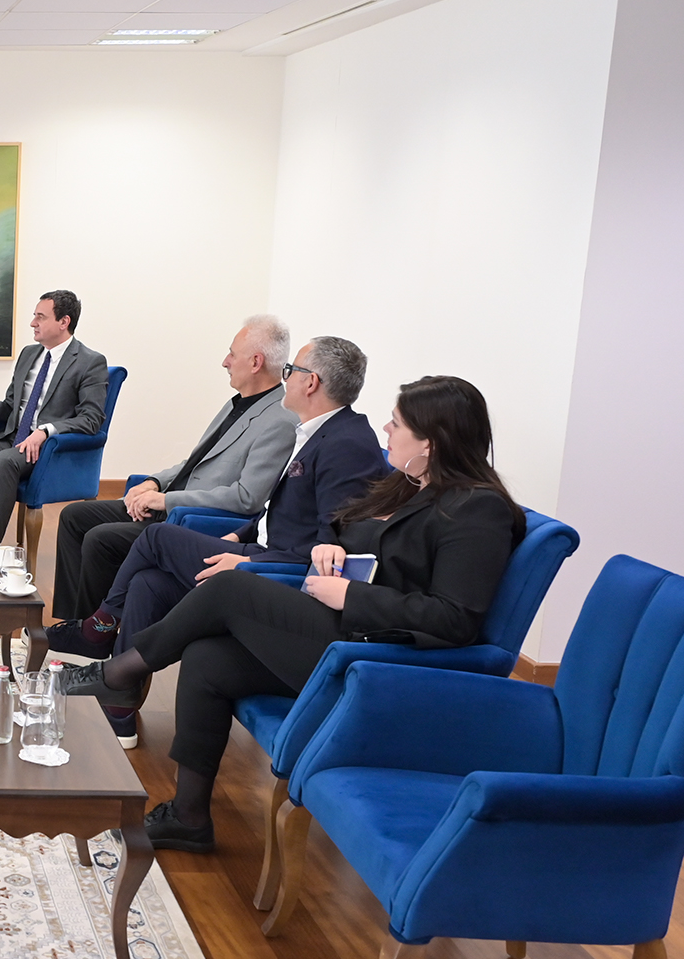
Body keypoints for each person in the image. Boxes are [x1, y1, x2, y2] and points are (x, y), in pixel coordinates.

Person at [66, 375, 526, 854]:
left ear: (430, 442)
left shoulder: (478, 510)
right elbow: (346, 529)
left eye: (398, 423)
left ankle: (119, 672)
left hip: (377, 658)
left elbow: (455, 619)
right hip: (343, 630)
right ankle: (189, 816)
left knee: (230, 588)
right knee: (207, 658)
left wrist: (350, 595)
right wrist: (331, 547)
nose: (387, 430)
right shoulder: (409, 485)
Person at [46, 336, 386, 747]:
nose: (286, 378)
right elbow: (283, 512)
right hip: (255, 547)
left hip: (272, 569)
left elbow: (328, 547)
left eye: (291, 371)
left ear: (311, 382)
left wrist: (248, 564)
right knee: (149, 583)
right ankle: (119, 704)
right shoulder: (317, 431)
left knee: (156, 537)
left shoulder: (347, 444)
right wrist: (240, 534)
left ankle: (99, 629)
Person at [51, 316, 299, 621]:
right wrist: (154, 483)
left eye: (232, 354)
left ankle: (96, 630)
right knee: (75, 516)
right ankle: (71, 621)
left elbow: (247, 498)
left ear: (256, 362)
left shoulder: (279, 421)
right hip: (170, 504)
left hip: (191, 520)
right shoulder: (238, 403)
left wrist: (166, 500)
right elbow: (194, 462)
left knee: (100, 539)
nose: (225, 361)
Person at [0, 290, 109, 543]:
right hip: (11, 439)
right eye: (34, 315)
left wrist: (46, 431)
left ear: (64, 322)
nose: (32, 323)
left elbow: (91, 419)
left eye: (41, 317)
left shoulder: (90, 362)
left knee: (6, 460)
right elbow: (10, 406)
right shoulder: (29, 354)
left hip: (47, 450)